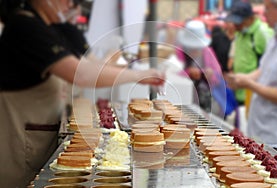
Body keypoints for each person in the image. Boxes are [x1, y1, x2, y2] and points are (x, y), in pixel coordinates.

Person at [0, 0, 165, 187]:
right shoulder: (25, 27)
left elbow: (89, 65)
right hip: (18, 142)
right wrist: (138, 75)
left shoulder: (44, 27)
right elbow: (81, 73)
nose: (70, 4)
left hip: (33, 137)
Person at [227, 0, 277, 165]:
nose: (263, 14)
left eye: (267, 9)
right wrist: (244, 78)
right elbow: (263, 70)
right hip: (264, 134)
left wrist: (250, 85)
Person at [224, 0, 273, 107]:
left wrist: (249, 80)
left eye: (239, 22)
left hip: (254, 93)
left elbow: (271, 65)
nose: (235, 26)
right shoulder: (240, 32)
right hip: (239, 92)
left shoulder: (262, 33)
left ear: (250, 19)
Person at [177, 20, 224, 115]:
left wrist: (211, 74)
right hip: (183, 99)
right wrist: (188, 73)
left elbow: (218, 74)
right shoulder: (179, 52)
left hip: (203, 100)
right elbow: (173, 73)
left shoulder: (207, 52)